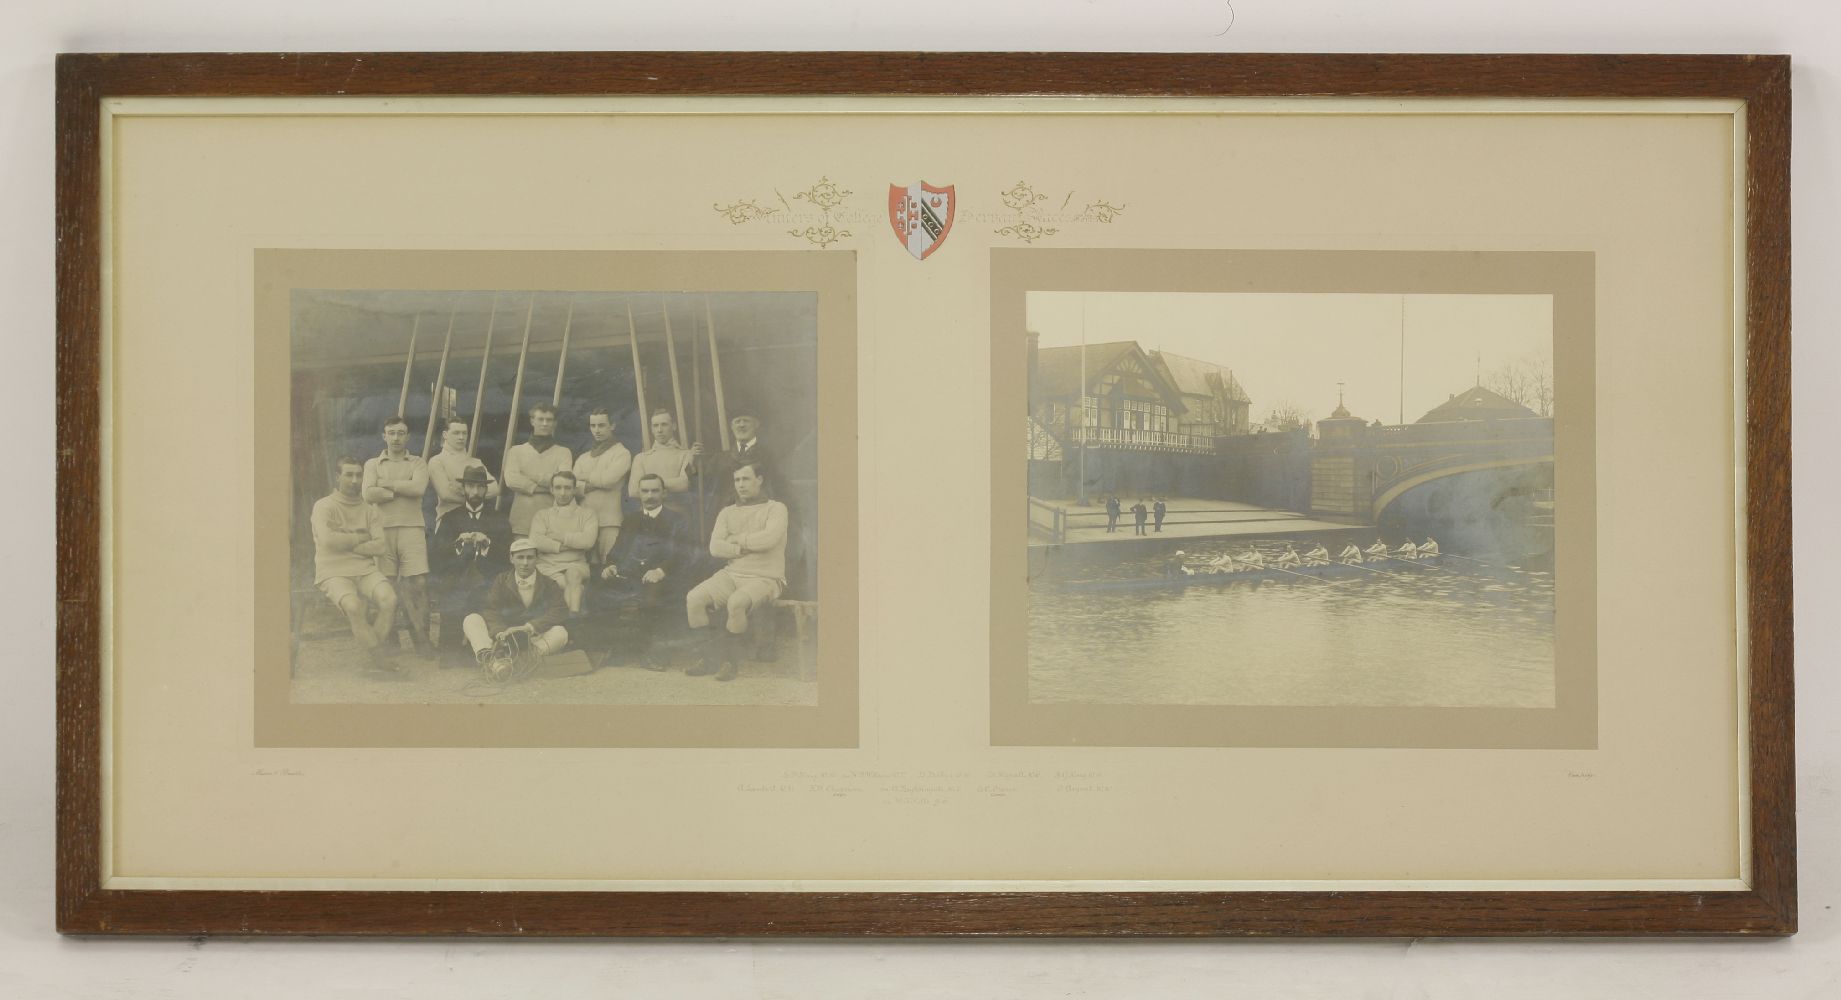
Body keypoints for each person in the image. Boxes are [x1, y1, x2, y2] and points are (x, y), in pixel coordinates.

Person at [686, 460, 787, 682]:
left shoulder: (776, 508)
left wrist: (735, 541)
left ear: (759, 480)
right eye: (737, 480)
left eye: (746, 479)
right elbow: (715, 548)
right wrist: (743, 547)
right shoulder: (727, 512)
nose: (740, 484)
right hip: (732, 574)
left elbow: (769, 540)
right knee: (694, 599)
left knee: (736, 603)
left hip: (766, 577)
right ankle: (708, 658)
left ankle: (729, 662)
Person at [595, 472, 697, 670]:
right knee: (598, 591)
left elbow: (683, 554)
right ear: (639, 494)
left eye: (654, 491)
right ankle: (616, 649)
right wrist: (611, 564)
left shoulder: (677, 520)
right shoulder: (631, 519)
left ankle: (653, 652)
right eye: (645, 491)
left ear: (664, 493)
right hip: (632, 574)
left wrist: (661, 570)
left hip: (664, 576)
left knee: (652, 599)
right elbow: (618, 549)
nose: (649, 496)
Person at [310, 455, 398, 670]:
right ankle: (379, 658)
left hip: (364, 569)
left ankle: (374, 656)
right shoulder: (324, 506)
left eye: (359, 475)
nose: (354, 480)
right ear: (337, 477)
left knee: (390, 599)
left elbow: (380, 547)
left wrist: (346, 542)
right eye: (348, 475)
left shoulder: (370, 510)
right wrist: (361, 537)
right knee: (353, 606)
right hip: (333, 570)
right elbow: (328, 541)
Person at [362, 416, 432, 656]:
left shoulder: (418, 462)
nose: (396, 438)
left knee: (418, 584)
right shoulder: (373, 464)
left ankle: (422, 641)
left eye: (400, 433)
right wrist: (400, 490)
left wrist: (386, 484)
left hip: (412, 528)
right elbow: (368, 494)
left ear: (408, 436)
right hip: (382, 529)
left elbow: (419, 489)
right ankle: (390, 641)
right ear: (384, 436)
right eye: (391, 433)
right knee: (387, 585)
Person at [429, 464, 511, 662]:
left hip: (489, 578)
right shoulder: (450, 518)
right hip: (457, 578)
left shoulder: (498, 518)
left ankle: (485, 649)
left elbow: (509, 555)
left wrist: (487, 543)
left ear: (486, 490)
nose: (475, 492)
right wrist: (457, 545)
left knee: (491, 599)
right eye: (471, 486)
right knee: (453, 599)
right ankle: (455, 649)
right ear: (463, 489)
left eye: (480, 487)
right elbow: (435, 556)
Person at [463, 537, 570, 672]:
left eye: (530, 558)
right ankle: (491, 659)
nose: (525, 563)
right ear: (511, 559)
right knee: (471, 619)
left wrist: (530, 627)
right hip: (504, 638)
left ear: (537, 559)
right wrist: (500, 632)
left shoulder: (548, 583)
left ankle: (520, 660)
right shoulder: (501, 580)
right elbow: (491, 610)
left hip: (532, 639)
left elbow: (559, 610)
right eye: (520, 557)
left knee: (560, 633)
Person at [527, 470, 597, 613]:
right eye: (558, 488)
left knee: (573, 574)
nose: (563, 493)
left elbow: (588, 541)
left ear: (574, 490)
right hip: (547, 565)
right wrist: (567, 545)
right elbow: (535, 541)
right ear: (551, 490)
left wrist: (558, 536)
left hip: (576, 563)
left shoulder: (587, 514)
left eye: (567, 488)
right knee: (564, 584)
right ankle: (570, 618)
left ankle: (572, 617)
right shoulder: (542, 515)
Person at [503, 403, 573, 538]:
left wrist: (528, 476)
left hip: (552, 518)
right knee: (522, 556)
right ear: (532, 421)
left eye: (549, 420)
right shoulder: (516, 451)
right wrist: (547, 487)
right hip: (522, 517)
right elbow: (511, 480)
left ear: (555, 423)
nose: (545, 423)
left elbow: (563, 481)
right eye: (541, 419)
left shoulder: (563, 452)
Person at [573, 407, 632, 562]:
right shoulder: (583, 457)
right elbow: (572, 487)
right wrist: (599, 481)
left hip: (609, 520)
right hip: (584, 520)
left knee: (608, 564)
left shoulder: (622, 453)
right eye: (593, 426)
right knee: (585, 565)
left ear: (612, 425)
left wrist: (585, 479)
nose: (597, 430)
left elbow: (609, 480)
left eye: (601, 425)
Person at [427, 417, 499, 520]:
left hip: (475, 518)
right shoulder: (437, 461)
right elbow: (446, 494)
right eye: (456, 433)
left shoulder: (475, 462)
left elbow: (494, 488)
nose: (461, 437)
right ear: (445, 435)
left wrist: (459, 489)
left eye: (464, 433)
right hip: (448, 520)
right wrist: (476, 496)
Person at [628, 408, 701, 509]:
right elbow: (633, 490)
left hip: (677, 513)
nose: (659, 430)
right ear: (652, 429)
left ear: (674, 426)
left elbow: (684, 484)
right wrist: (669, 484)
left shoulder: (686, 454)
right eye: (655, 426)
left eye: (664, 424)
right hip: (649, 514)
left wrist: (648, 486)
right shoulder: (641, 458)